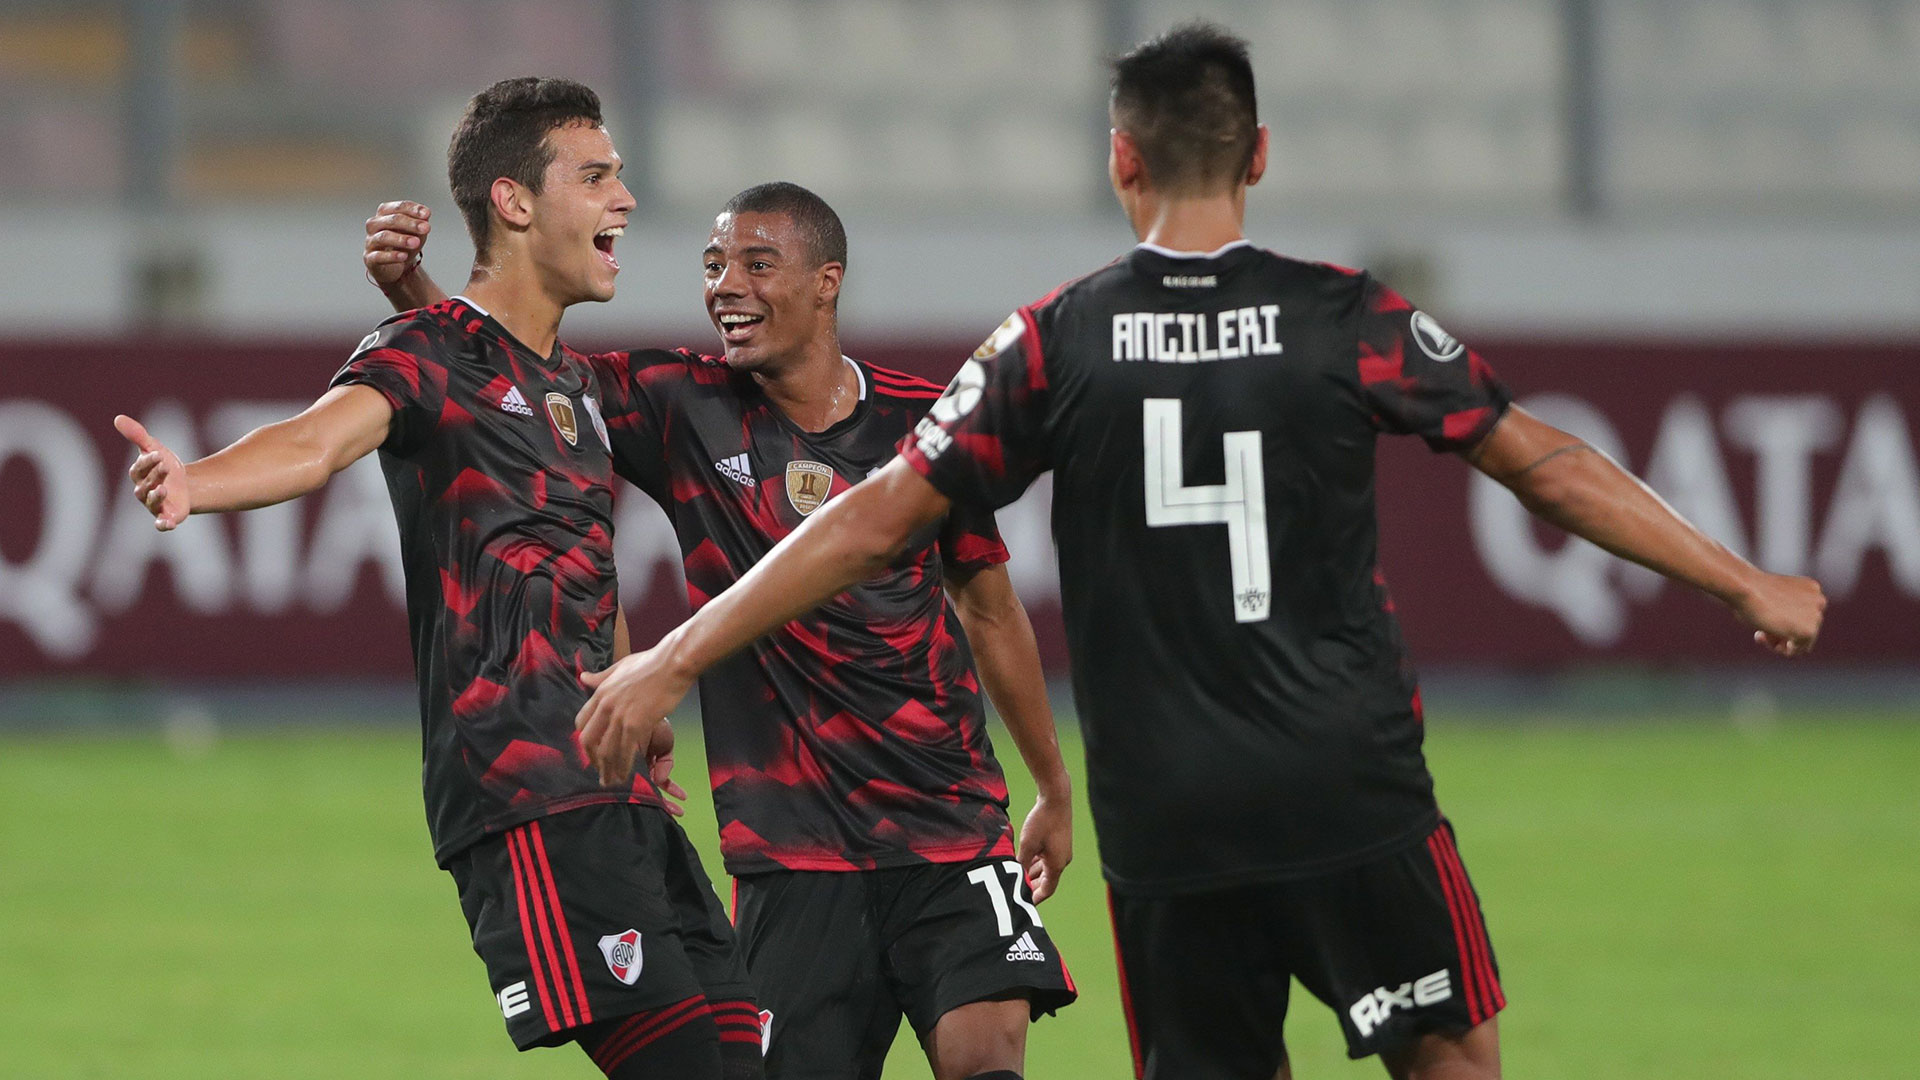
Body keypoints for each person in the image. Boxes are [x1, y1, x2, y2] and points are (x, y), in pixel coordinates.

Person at [558, 22, 1830, 1080]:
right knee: (1449, 1059)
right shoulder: (1345, 315)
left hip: (1169, 813)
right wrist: (1741, 580)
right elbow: (1542, 461)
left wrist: (673, 657)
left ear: (1122, 160)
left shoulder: (1055, 342)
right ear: (1259, 154)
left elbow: (875, 519)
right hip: (1348, 780)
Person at [116, 78, 760, 1080]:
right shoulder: (424, 350)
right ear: (514, 202)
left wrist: (634, 702)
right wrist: (195, 481)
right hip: (526, 795)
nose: (625, 199)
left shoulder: (568, 384)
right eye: (596, 176)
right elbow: (318, 441)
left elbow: (575, 557)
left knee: (748, 1060)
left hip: (615, 790)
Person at [365, 180, 1077, 1080]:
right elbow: (513, 390)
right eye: (713, 265)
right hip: (790, 856)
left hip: (951, 829)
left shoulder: (922, 423)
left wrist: (1051, 785)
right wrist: (416, 294)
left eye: (756, 264)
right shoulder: (680, 404)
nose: (726, 286)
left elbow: (989, 606)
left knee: (988, 1067)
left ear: (826, 281)